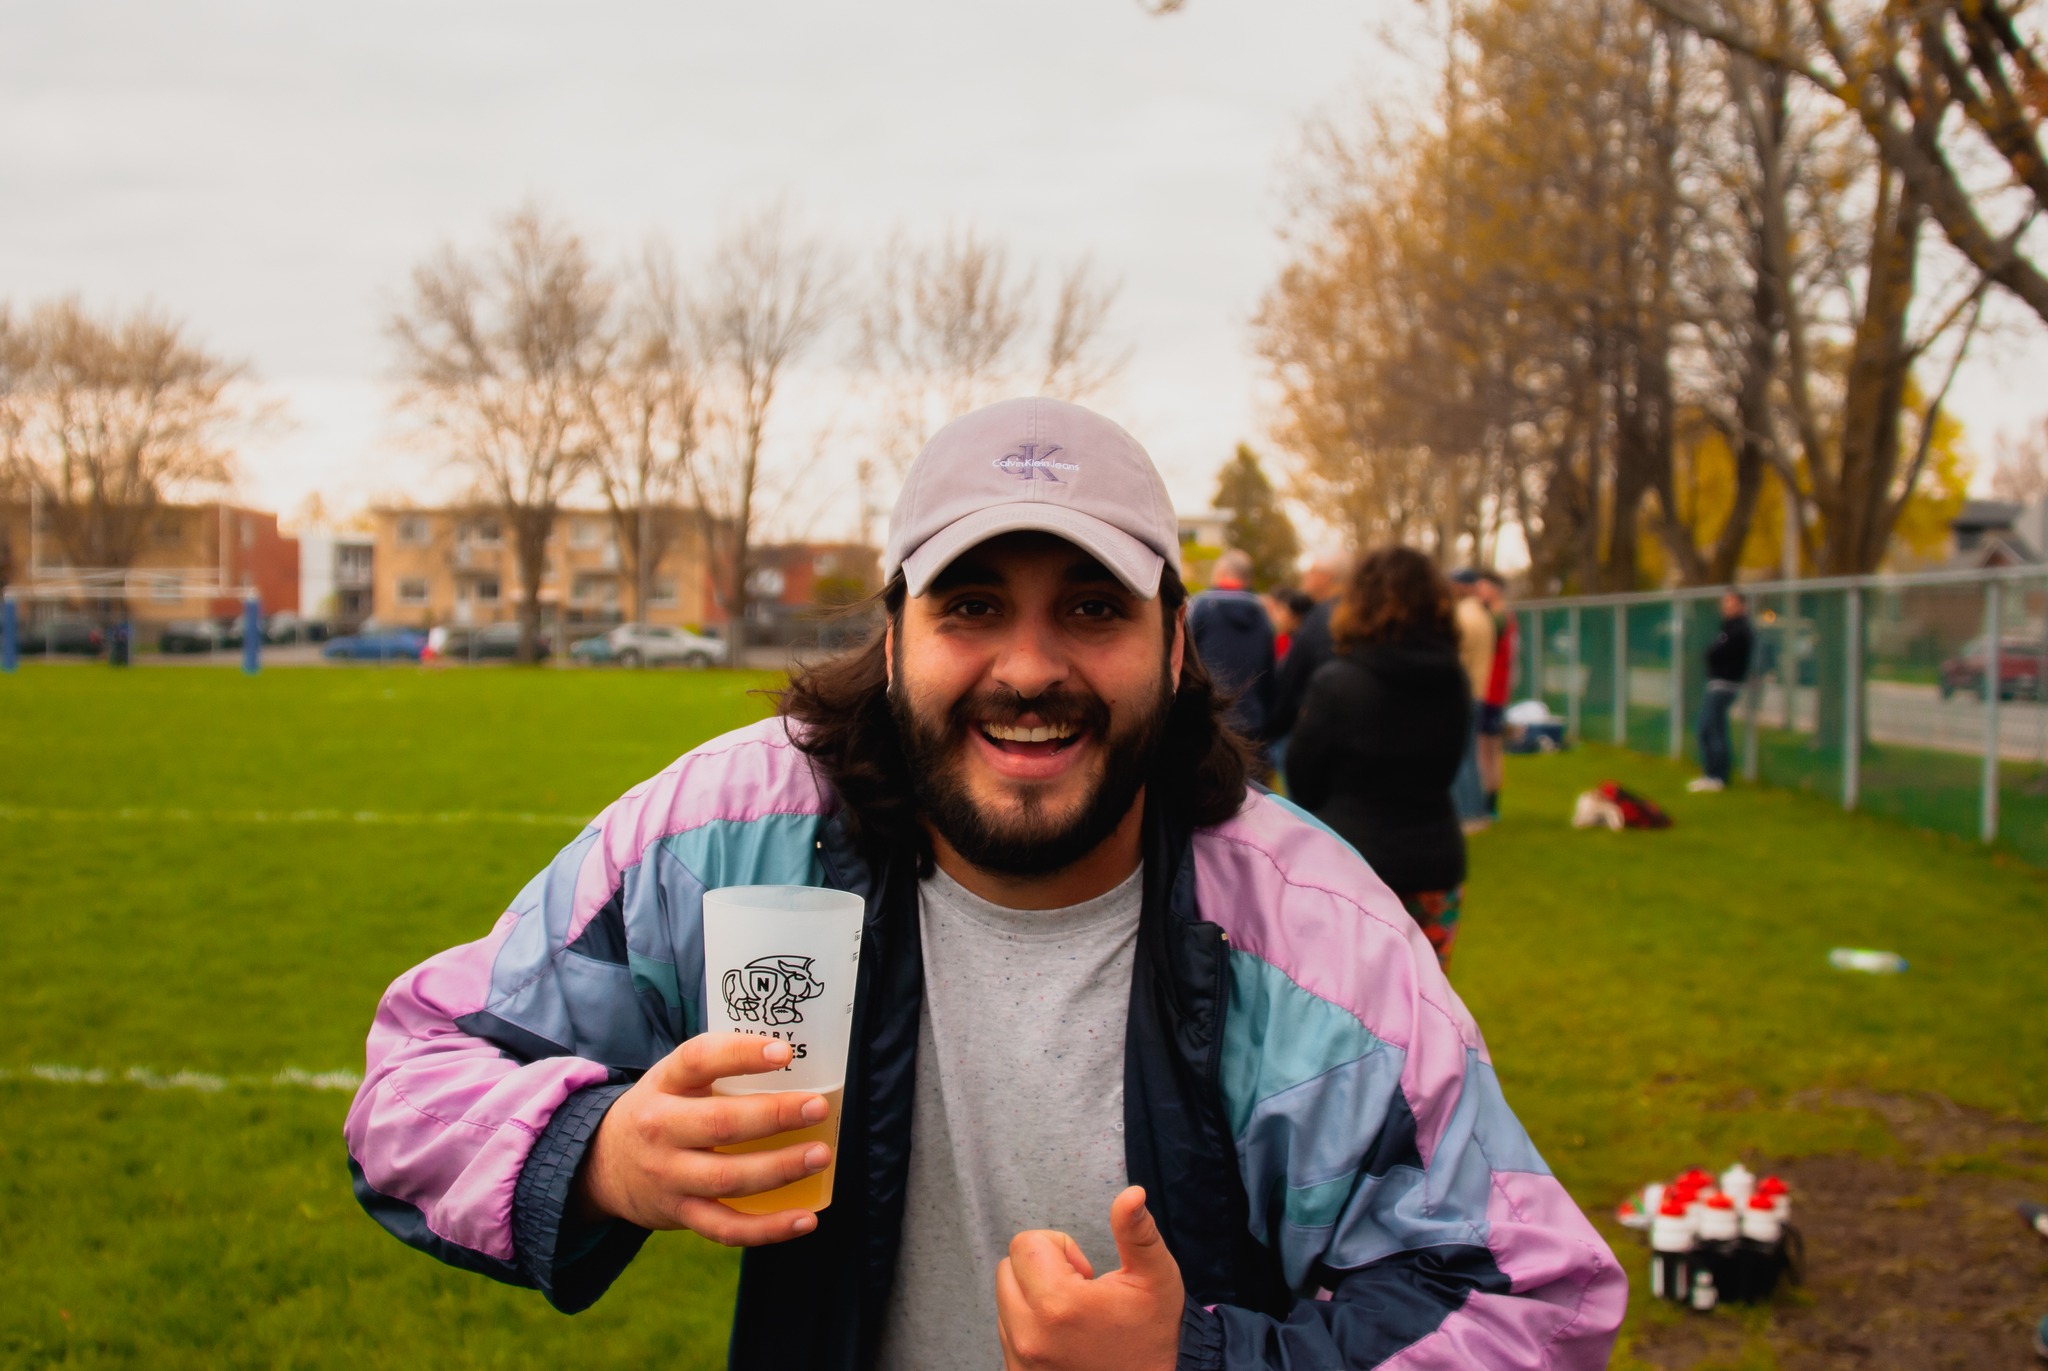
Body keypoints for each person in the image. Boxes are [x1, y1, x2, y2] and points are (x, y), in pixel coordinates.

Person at [344, 397, 1623, 1371]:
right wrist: (602, 1155)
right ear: (893, 634)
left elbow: (1529, 1305)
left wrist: (1193, 1363)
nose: (1026, 668)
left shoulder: (1312, 935)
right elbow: (416, 1082)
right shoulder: (722, 836)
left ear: (1174, 645)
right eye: (968, 606)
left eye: (1091, 608)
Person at [1286, 550, 1473, 970]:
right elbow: (1450, 764)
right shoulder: (1454, 681)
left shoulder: (1337, 684)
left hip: (1353, 866)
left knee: (1350, 1000)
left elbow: (1303, 780)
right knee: (1426, 1002)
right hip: (1434, 865)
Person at [1186, 549, 1277, 759]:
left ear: (1221, 573)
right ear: (1248, 578)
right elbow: (1269, 675)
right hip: (1253, 724)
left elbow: (1184, 661)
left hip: (1208, 721)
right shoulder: (1263, 615)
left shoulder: (1200, 607)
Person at [1264, 552, 1348, 742]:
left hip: (1313, 726)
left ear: (1325, 576)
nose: (1304, 576)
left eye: (1310, 571)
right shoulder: (1348, 613)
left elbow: (1294, 678)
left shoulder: (1319, 619)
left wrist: (1273, 726)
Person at [1689, 589, 1754, 793]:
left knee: (1711, 729)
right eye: (1725, 603)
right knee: (1707, 729)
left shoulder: (1740, 630)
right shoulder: (1726, 628)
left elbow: (1719, 653)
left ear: (1741, 606)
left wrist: (1714, 653)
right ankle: (1710, 774)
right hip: (1716, 683)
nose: (1727, 607)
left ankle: (1718, 777)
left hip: (1725, 685)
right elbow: (1712, 652)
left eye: (1731, 603)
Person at [1448, 571, 1494, 830]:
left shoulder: (1463, 617)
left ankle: (1468, 815)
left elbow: (1456, 658)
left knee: (1461, 757)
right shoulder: (1482, 614)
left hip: (1463, 693)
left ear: (1463, 587)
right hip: (1479, 690)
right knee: (1470, 755)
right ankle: (1478, 810)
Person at [1472, 571, 1515, 820]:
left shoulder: (1498, 618)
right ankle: (1488, 802)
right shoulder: (1497, 616)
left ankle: (1490, 803)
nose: (1479, 593)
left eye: (1483, 588)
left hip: (1491, 691)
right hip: (1491, 689)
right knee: (1486, 748)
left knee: (1488, 748)